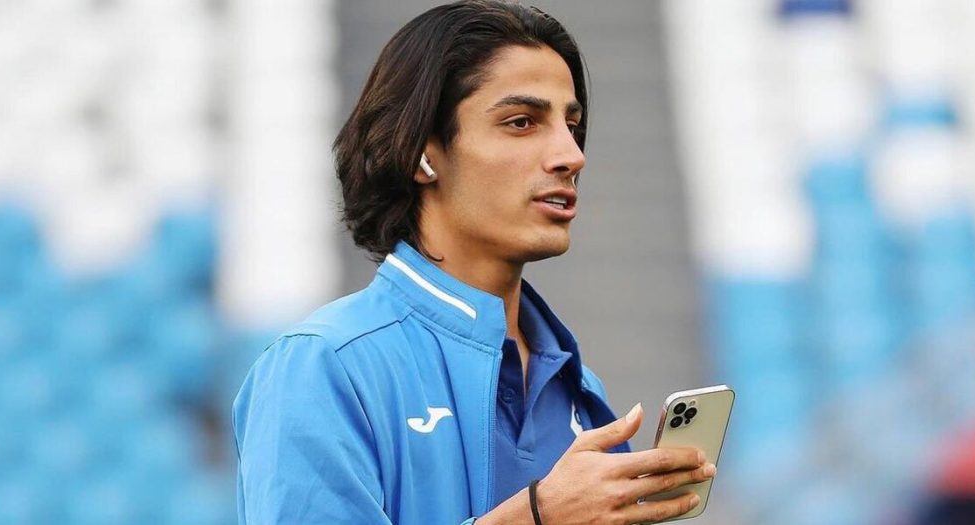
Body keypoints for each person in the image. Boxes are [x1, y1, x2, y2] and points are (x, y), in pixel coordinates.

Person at [232, 1, 716, 523]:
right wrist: (537, 517)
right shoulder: (323, 365)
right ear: (422, 153)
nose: (571, 155)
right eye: (522, 122)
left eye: (571, 124)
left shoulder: (579, 388)